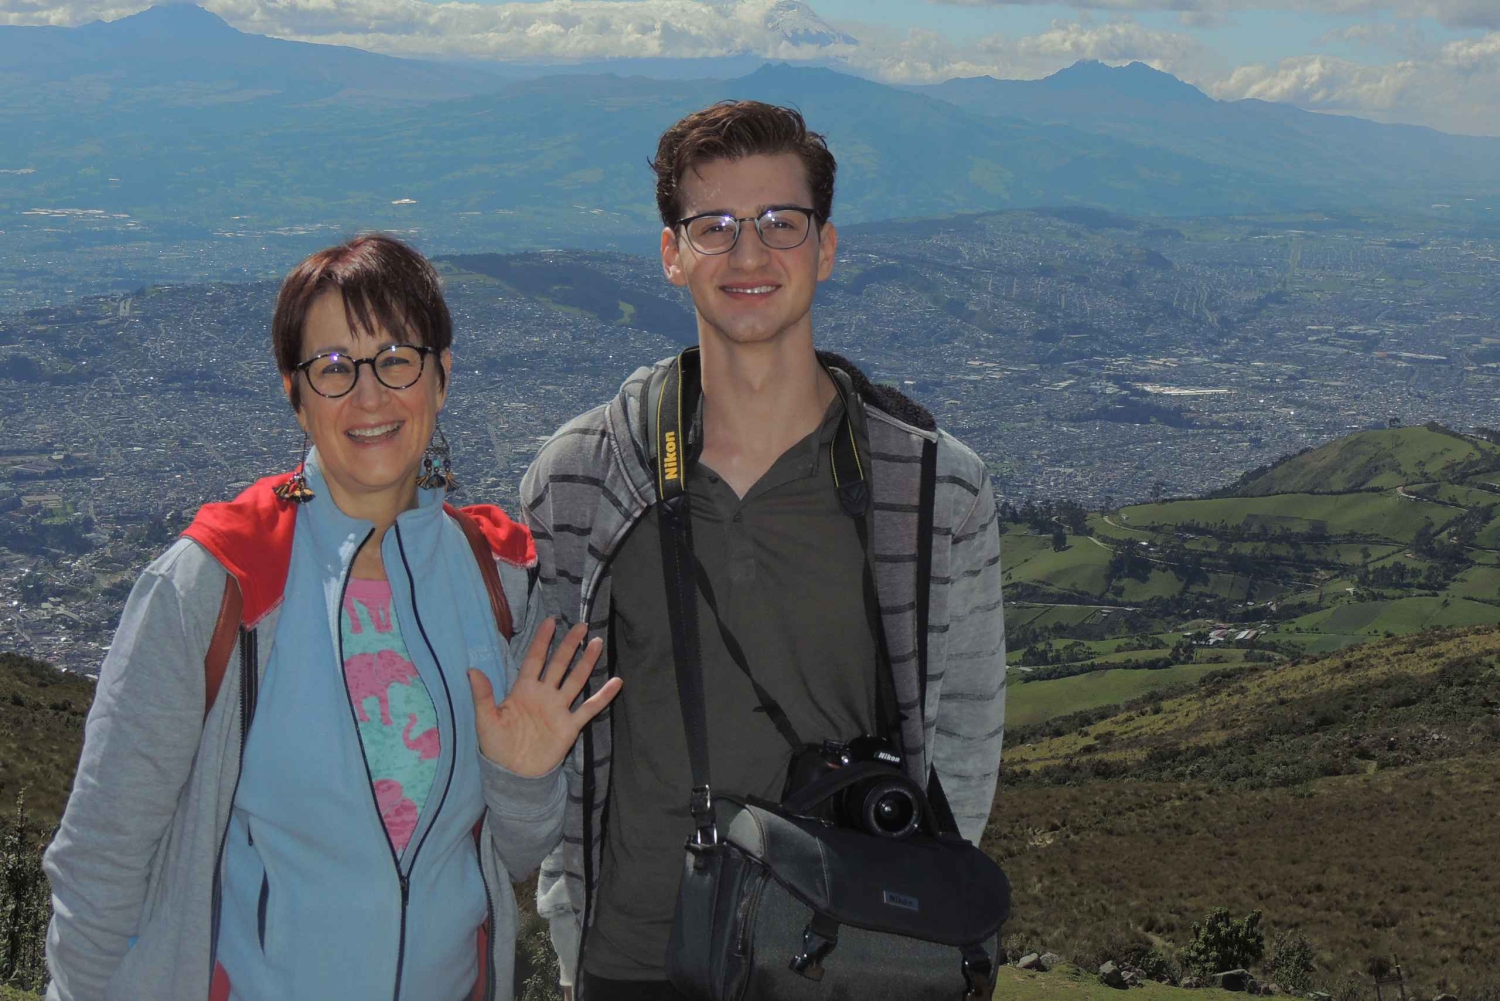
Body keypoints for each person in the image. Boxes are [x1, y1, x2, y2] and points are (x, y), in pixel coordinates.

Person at [42, 233, 621, 1001]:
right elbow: (99, 862)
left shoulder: (500, 581)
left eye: (396, 359)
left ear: (442, 376)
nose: (370, 396)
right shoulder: (219, 582)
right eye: (335, 367)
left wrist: (522, 774)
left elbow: (509, 859)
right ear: (297, 393)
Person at [523, 102, 1007, 1000]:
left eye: (781, 222)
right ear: (672, 254)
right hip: (636, 957)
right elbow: (544, 735)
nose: (749, 254)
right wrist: (566, 920)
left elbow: (966, 740)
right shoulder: (585, 478)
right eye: (715, 226)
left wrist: (905, 934)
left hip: (843, 959)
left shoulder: (933, 490)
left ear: (826, 248)